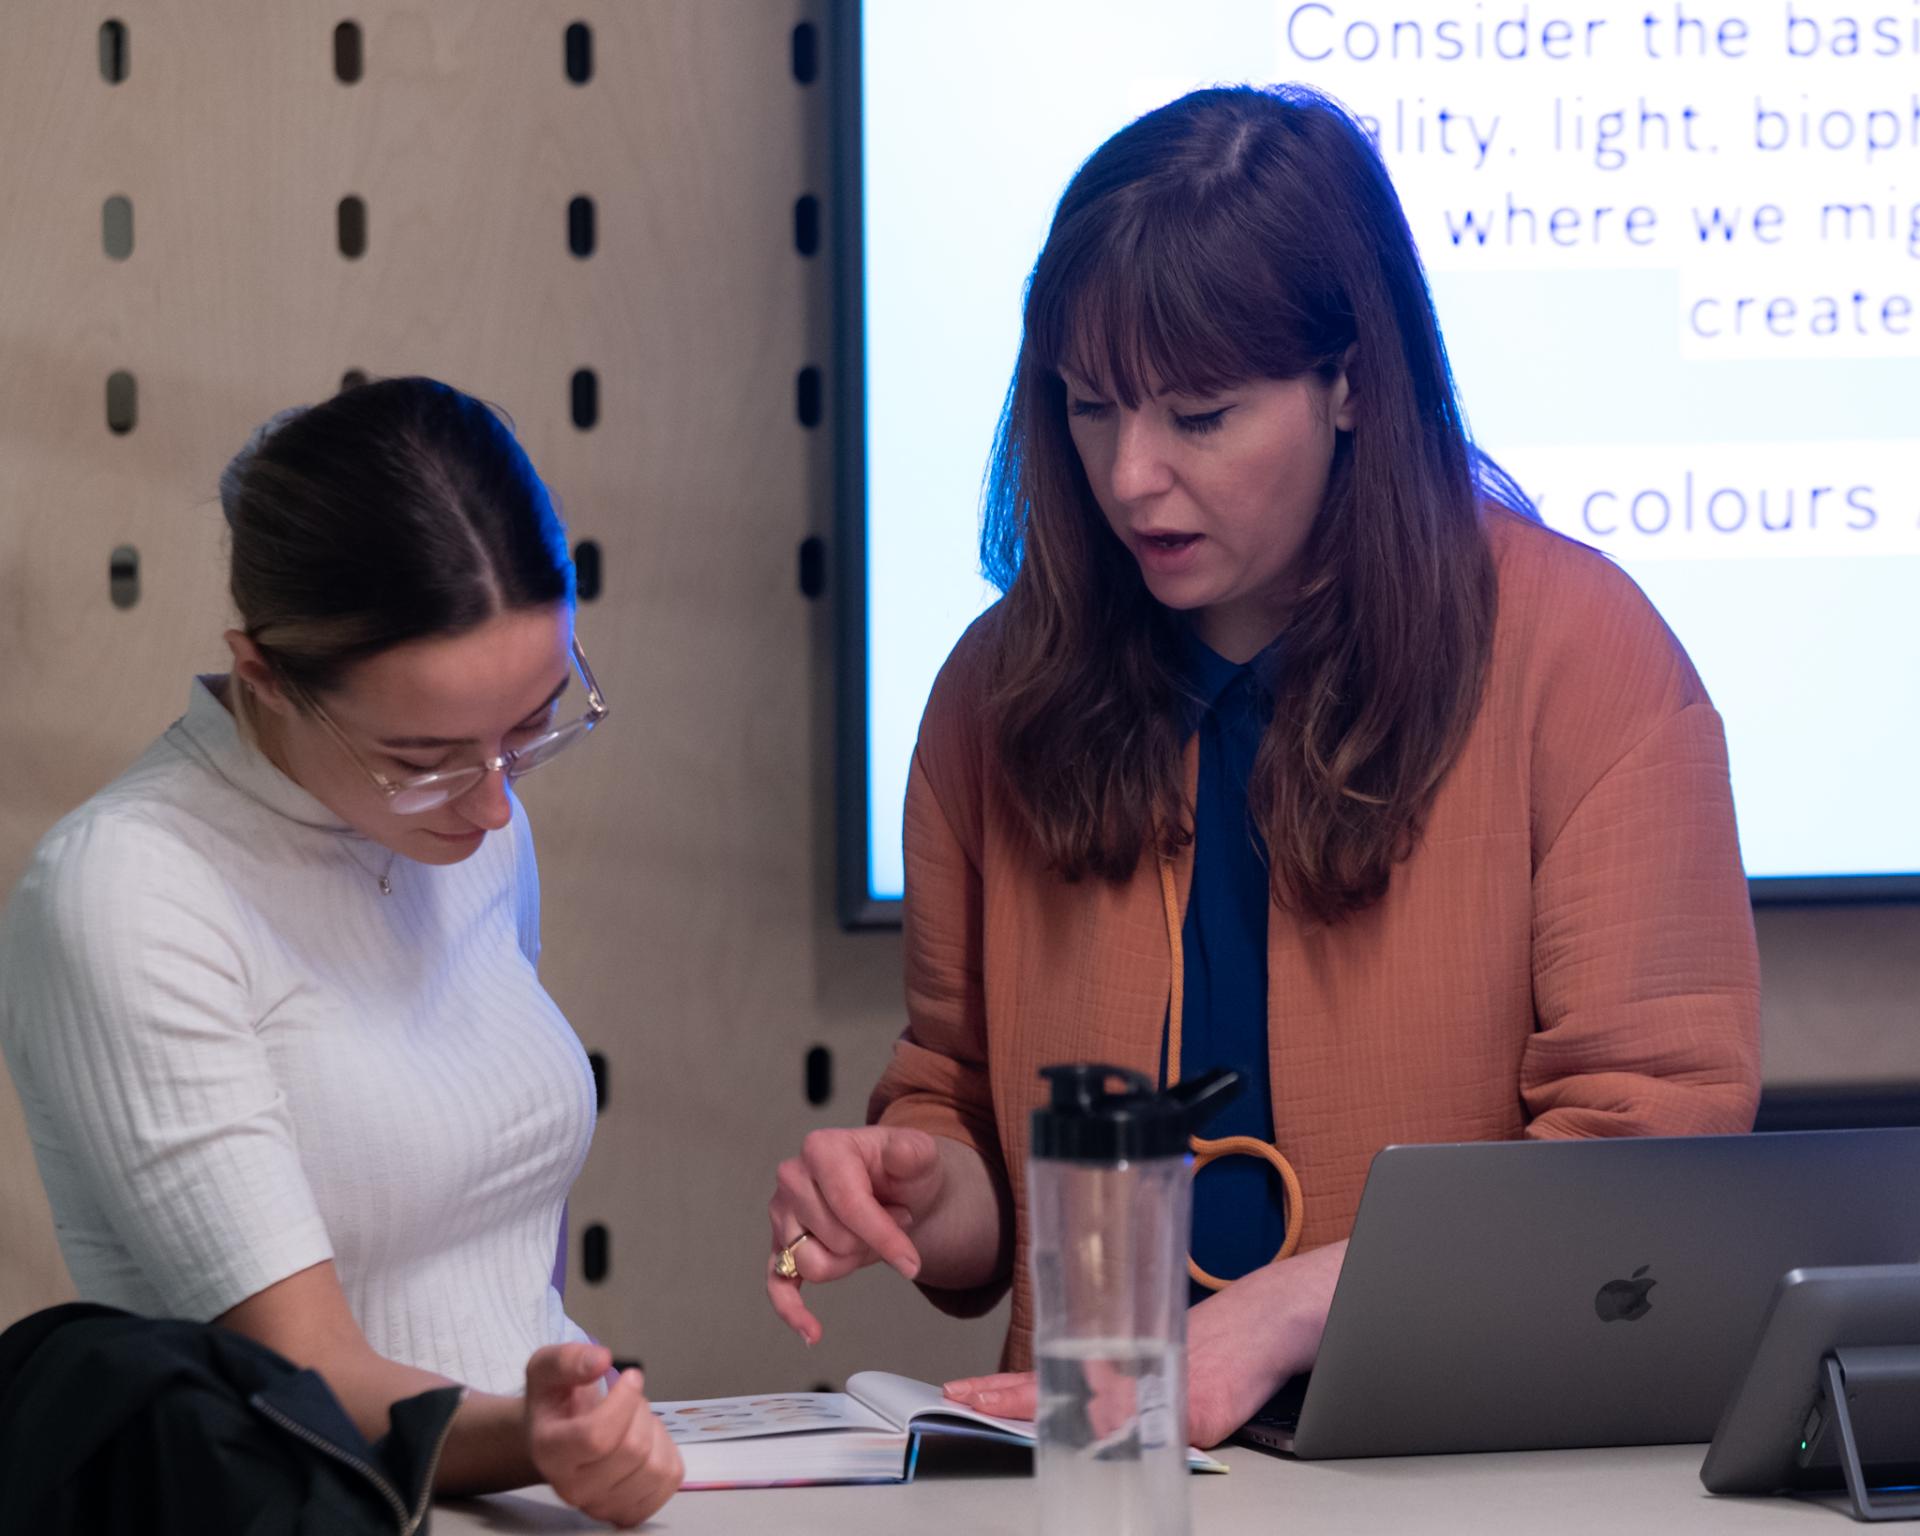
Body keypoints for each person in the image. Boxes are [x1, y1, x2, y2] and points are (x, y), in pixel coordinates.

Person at [765, 85, 1762, 1447]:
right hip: (1100, 1467)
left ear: (1350, 381)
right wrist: (925, 1191)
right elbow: (963, 1104)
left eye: (1201, 415)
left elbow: (1655, 1158)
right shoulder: (993, 692)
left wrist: (1292, 1312)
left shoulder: (1586, 659)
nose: (1129, 477)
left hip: (1468, 1466)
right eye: (1092, 408)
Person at [0, 378, 681, 1526]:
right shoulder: (129, 888)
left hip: (533, 1497)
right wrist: (541, 1431)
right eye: (423, 754)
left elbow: (492, 1231)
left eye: (531, 725)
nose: (495, 807)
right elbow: (301, 1383)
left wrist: (564, 1417)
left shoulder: (467, 813)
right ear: (262, 674)